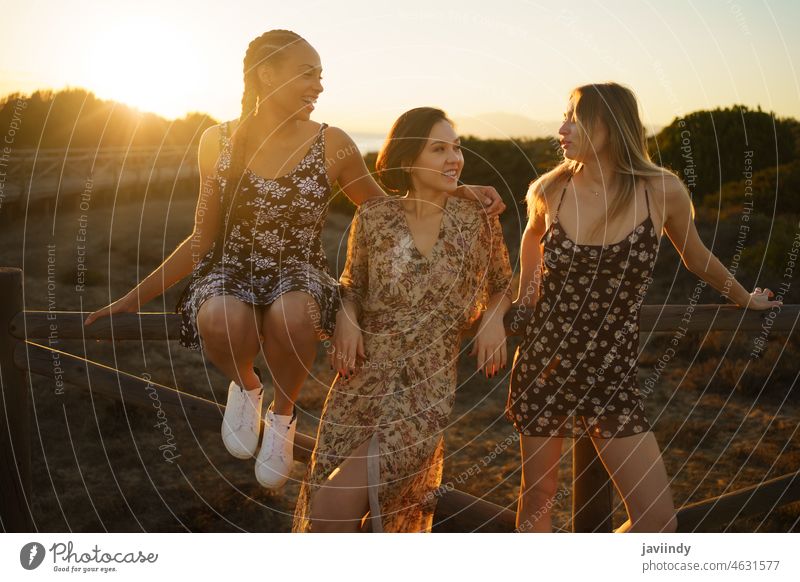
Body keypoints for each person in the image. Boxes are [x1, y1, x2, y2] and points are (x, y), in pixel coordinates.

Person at [82, 30, 506, 490]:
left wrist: (454, 187)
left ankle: (283, 417)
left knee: (294, 311)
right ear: (267, 75)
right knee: (221, 316)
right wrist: (132, 297)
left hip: (299, 271)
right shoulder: (215, 141)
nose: (319, 86)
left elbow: (387, 207)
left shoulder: (334, 143)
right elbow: (202, 238)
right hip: (229, 268)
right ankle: (247, 388)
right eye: (307, 74)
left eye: (321, 76)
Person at [506, 82, 783, 533]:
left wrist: (744, 298)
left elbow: (695, 257)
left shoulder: (662, 190)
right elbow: (532, 237)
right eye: (565, 117)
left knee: (656, 521)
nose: (562, 128)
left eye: (574, 118)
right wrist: (527, 295)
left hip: (612, 373)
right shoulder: (551, 189)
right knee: (539, 497)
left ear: (610, 125)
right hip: (545, 361)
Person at [292, 107, 513, 532]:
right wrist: (348, 317)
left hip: (423, 391)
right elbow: (352, 283)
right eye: (439, 148)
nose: (455, 158)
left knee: (332, 509)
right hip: (358, 383)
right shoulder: (375, 216)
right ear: (409, 158)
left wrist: (492, 319)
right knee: (340, 514)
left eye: (457, 147)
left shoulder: (476, 220)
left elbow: (503, 283)